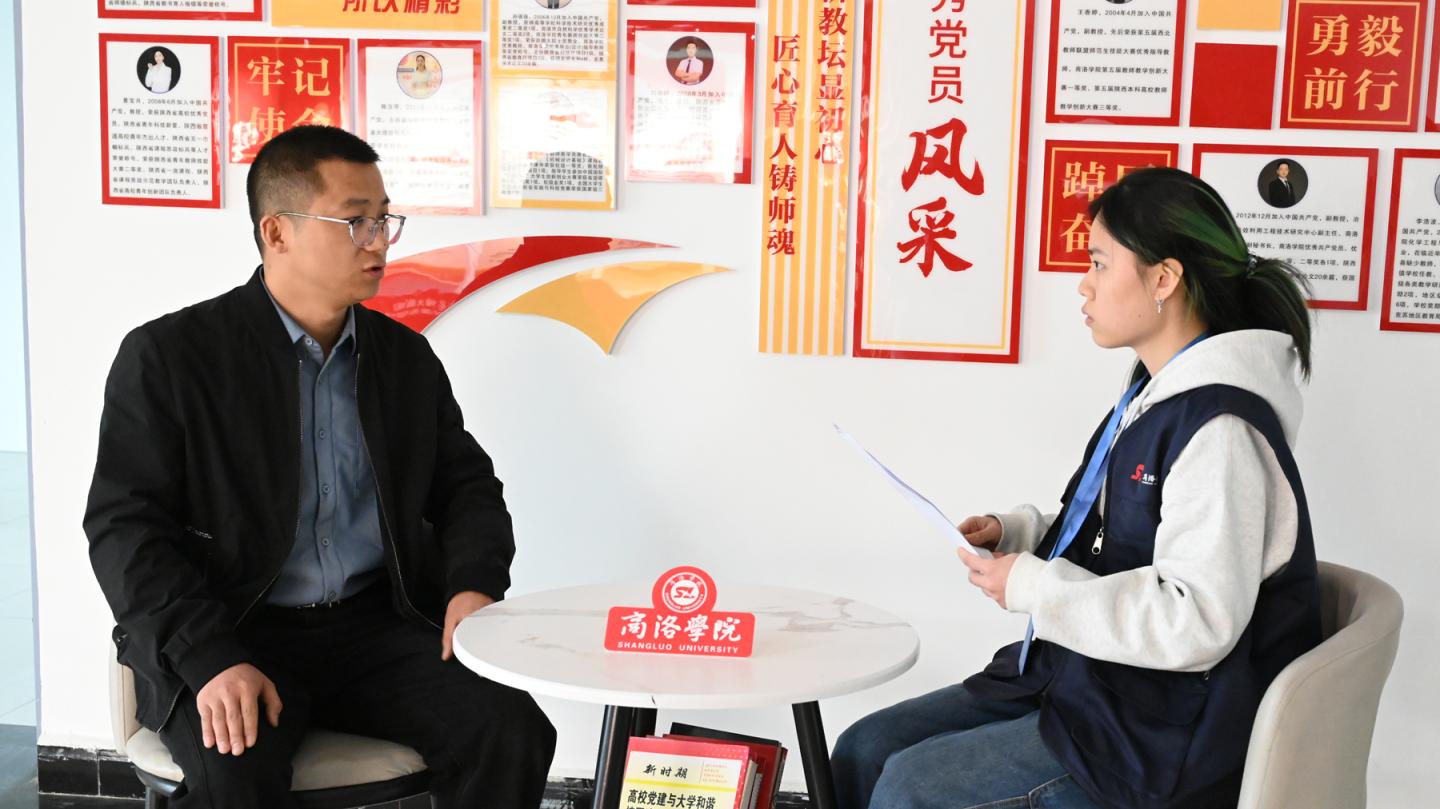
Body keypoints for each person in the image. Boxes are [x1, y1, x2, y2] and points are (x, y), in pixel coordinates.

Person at [85, 125, 556, 809]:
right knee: (233, 773)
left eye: (385, 219)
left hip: (373, 628)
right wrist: (208, 655)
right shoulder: (171, 357)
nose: (379, 242)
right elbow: (125, 528)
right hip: (233, 627)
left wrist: (473, 584)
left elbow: (466, 487)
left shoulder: (403, 359)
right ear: (277, 232)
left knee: (511, 729)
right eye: (356, 221)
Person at [832, 167, 1322, 809]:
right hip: (1087, 679)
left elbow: (1196, 620)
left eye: (1098, 263)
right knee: (863, 749)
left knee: (909, 787)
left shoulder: (1220, 430)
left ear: (1164, 279)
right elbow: (1118, 530)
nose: (1083, 284)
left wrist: (1034, 586)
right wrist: (1019, 534)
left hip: (1156, 732)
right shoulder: (1155, 393)